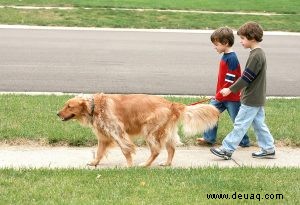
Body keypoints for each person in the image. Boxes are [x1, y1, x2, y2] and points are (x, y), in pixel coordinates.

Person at [210, 22, 276, 159]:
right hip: (257, 97)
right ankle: (268, 148)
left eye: (243, 38)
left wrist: (230, 89)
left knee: (240, 124)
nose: (240, 41)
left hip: (251, 98)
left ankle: (227, 149)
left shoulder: (256, 56)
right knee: (258, 124)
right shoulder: (258, 53)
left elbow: (246, 78)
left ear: (251, 38)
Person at [196, 27, 250, 147]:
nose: (214, 47)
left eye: (216, 44)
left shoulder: (231, 58)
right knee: (210, 114)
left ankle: (244, 141)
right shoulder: (225, 56)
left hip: (231, 98)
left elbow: (230, 81)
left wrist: (219, 95)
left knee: (237, 121)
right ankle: (209, 138)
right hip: (221, 96)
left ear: (225, 43)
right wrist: (219, 94)